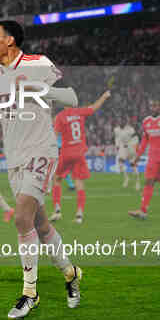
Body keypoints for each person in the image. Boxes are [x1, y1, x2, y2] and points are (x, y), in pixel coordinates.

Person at [0, 20, 82, 320]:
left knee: (22, 217)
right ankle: (70, 271)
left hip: (41, 151)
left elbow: (72, 98)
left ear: (10, 40)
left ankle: (30, 293)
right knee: (39, 225)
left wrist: (36, 88)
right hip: (14, 159)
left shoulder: (38, 63)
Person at [50, 90, 111, 224]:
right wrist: (104, 96)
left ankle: (57, 210)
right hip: (79, 153)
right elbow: (94, 107)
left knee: (57, 178)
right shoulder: (80, 112)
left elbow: (54, 136)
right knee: (79, 183)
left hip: (66, 153)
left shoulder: (60, 116)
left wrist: (50, 151)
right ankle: (79, 215)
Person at [128, 99, 160, 220]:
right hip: (153, 158)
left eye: (155, 105)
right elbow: (144, 142)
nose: (153, 107)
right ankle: (143, 211)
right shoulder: (146, 122)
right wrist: (137, 158)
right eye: (151, 105)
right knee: (149, 181)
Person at [114, 117, 141, 190]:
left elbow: (136, 138)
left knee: (133, 165)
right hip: (123, 147)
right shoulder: (116, 129)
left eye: (122, 121)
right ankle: (126, 178)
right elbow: (117, 138)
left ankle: (137, 182)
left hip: (131, 147)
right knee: (120, 161)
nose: (121, 123)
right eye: (119, 121)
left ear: (125, 122)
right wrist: (117, 145)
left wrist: (134, 146)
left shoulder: (130, 129)